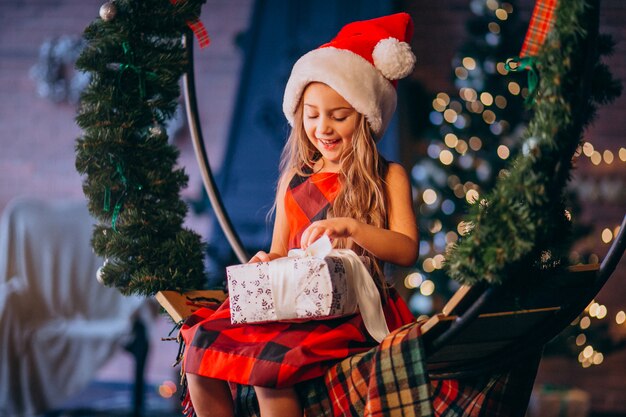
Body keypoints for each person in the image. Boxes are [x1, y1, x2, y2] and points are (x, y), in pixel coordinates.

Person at [180, 12, 418, 417]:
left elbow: (407, 250)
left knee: (267, 371)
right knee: (198, 348)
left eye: (338, 115)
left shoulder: (386, 176)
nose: (322, 127)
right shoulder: (294, 178)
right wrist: (266, 261)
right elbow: (280, 251)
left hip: (352, 310)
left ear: (364, 117)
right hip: (291, 303)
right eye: (312, 114)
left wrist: (352, 227)